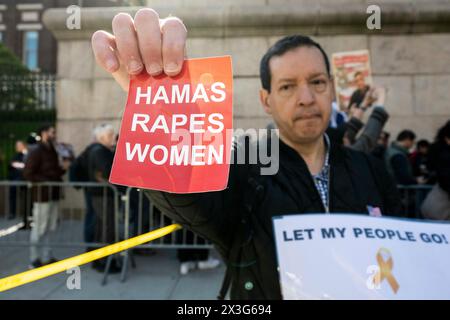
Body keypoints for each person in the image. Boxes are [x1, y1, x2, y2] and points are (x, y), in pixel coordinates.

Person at [91, 9, 401, 299]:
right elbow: (188, 195)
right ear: (266, 100)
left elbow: (403, 260)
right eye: (288, 87)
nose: (306, 98)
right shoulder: (246, 161)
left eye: (317, 82)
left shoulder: (370, 169)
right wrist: (163, 114)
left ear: (332, 89)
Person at [23, 125, 69, 269]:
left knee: (50, 227)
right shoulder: (36, 152)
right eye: (52, 132)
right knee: (39, 228)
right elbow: (28, 173)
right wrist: (47, 181)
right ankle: (34, 258)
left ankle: (46, 257)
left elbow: (54, 172)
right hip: (42, 196)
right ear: (44, 134)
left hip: (53, 194)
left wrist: (63, 169)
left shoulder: (52, 150)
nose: (54, 135)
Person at [85, 124, 121, 273]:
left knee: (102, 227)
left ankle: (100, 259)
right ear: (101, 138)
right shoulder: (99, 151)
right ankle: (105, 260)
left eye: (113, 134)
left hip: (104, 194)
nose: (113, 137)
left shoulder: (103, 150)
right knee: (107, 228)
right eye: (110, 135)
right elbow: (108, 171)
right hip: (102, 195)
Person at [7, 140, 28, 220]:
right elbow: (10, 165)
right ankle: (12, 213)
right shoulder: (15, 156)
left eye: (19, 145)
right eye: (16, 146)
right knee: (12, 196)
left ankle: (27, 215)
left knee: (26, 198)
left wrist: (20, 166)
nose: (17, 147)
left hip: (24, 180)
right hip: (14, 180)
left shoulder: (26, 155)